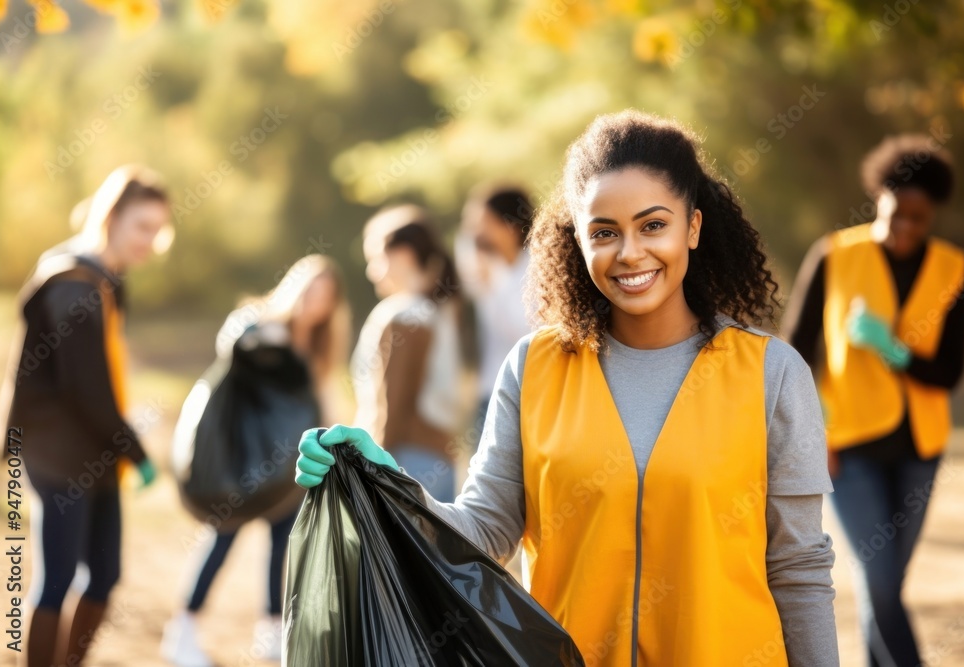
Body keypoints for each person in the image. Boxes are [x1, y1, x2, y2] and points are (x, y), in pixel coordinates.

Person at [295, 110, 839, 666]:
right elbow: (482, 530)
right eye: (604, 232)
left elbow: (798, 569)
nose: (629, 253)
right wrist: (386, 481)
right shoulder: (535, 367)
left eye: (653, 225)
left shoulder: (771, 375)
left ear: (693, 227)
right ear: (577, 240)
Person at [781, 134, 964, 666]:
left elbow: (950, 372)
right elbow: (794, 355)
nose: (906, 228)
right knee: (881, 582)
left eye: (919, 218)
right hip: (851, 447)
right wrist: (812, 432)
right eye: (896, 215)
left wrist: (895, 351)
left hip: (920, 448)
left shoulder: (953, 269)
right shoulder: (835, 254)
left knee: (882, 585)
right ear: (878, 200)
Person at [0, 165, 173, 667]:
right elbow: (85, 390)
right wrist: (137, 453)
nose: (150, 241)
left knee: (105, 573)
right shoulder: (73, 281)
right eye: (142, 226)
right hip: (56, 450)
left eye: (158, 230)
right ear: (111, 216)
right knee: (55, 580)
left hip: (94, 450)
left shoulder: (104, 280)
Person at [161, 254, 351, 667]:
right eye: (309, 287)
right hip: (239, 460)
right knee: (222, 537)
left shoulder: (317, 349)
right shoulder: (255, 321)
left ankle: (270, 631)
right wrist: (267, 337)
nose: (313, 300)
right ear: (293, 284)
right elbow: (231, 349)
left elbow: (322, 401)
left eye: (324, 295)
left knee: (283, 542)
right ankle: (183, 629)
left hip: (287, 470)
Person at [349, 205, 466, 502]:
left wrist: (373, 466)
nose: (370, 271)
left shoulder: (404, 315)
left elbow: (393, 401)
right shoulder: (440, 310)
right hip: (439, 459)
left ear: (403, 254)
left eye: (376, 258)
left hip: (403, 461)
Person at [455, 183, 537, 435]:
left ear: (510, 227)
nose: (478, 234)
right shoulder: (489, 266)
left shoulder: (536, 270)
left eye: (485, 223)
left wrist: (493, 289)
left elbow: (524, 335)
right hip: (488, 388)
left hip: (528, 390)